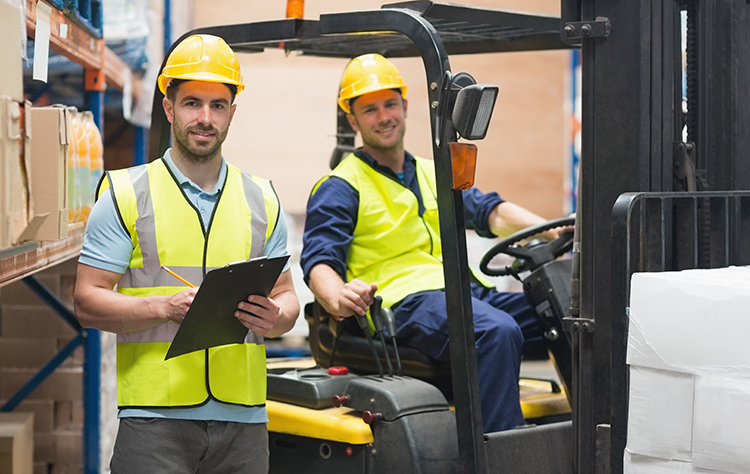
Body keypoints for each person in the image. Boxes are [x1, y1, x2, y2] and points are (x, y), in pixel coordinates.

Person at [301, 53, 565, 433]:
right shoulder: (342, 185)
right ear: (353, 119)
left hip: (464, 293)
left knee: (568, 313)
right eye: (370, 109)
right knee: (497, 331)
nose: (384, 116)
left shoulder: (432, 170)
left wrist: (554, 229)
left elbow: (489, 211)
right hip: (403, 304)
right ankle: (502, 455)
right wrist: (337, 297)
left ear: (405, 106)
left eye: (390, 104)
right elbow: (320, 260)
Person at [73, 34, 300, 474]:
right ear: (168, 107)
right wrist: (163, 306)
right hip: (155, 421)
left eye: (218, 105)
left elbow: (288, 298)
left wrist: (278, 317)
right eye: (192, 102)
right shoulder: (125, 194)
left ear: (232, 112)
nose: (205, 118)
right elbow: (86, 301)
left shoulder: (263, 200)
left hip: (244, 424)